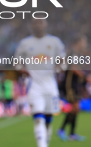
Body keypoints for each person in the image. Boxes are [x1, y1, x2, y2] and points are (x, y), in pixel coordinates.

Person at [14, 19, 66, 147]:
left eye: (41, 22)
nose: (38, 25)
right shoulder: (25, 43)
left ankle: (44, 143)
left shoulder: (55, 42)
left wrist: (58, 68)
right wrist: (23, 71)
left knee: (48, 119)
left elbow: (63, 62)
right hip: (34, 85)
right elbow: (16, 63)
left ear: (45, 24)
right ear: (31, 25)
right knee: (38, 118)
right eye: (35, 23)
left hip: (50, 85)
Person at [57, 34, 89, 141]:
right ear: (78, 42)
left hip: (75, 84)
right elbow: (73, 68)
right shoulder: (72, 53)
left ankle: (71, 134)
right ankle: (63, 130)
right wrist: (85, 76)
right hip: (69, 85)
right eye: (83, 41)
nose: (85, 44)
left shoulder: (77, 54)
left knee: (76, 108)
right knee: (75, 107)